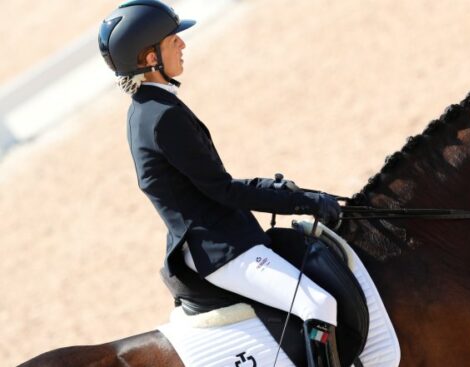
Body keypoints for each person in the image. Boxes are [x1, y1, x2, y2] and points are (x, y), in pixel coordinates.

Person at [98, 1, 341, 366]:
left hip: (213, 238)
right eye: (172, 41)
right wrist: (301, 201)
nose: (182, 44)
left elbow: (207, 184)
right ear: (150, 58)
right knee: (316, 304)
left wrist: (277, 190)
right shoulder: (163, 117)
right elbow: (222, 189)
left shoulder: (147, 109)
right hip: (220, 248)